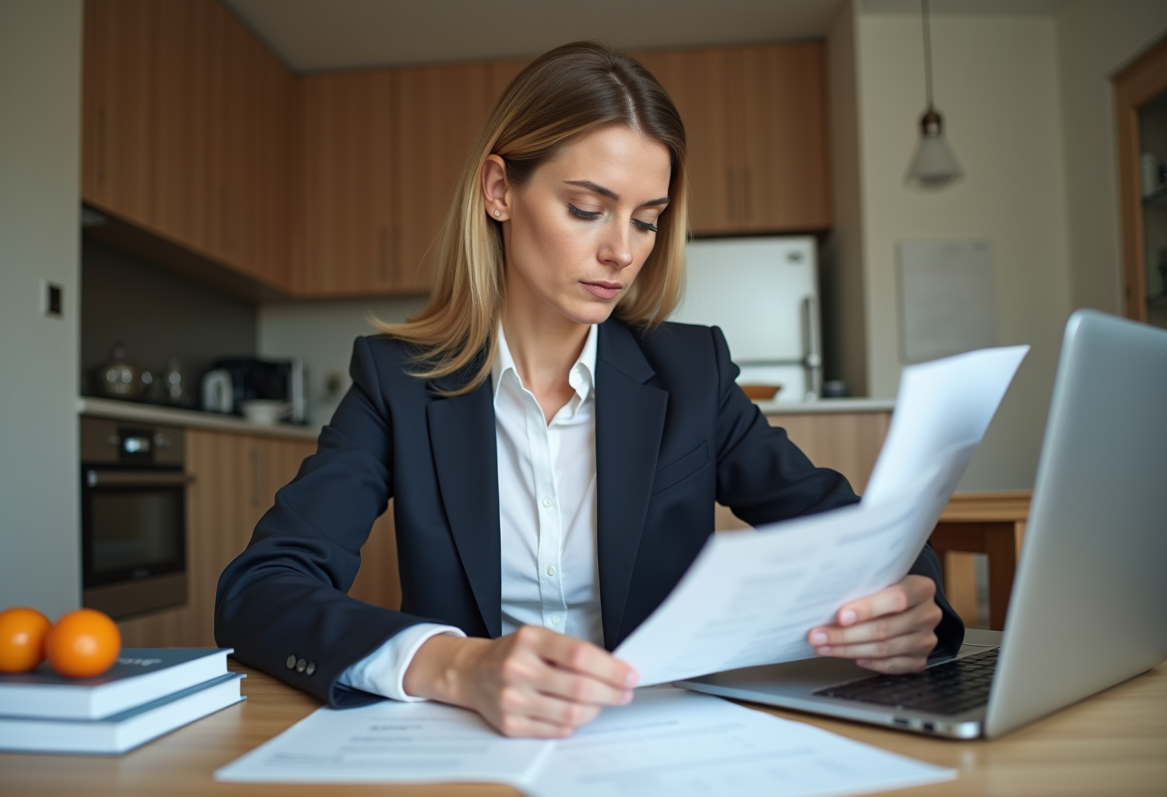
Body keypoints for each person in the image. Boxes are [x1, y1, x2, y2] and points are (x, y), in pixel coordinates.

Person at [215, 41, 962, 739]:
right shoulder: (399, 383)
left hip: (664, 744)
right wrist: (456, 664)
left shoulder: (690, 373)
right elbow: (260, 591)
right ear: (500, 189)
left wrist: (911, 600)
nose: (622, 252)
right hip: (472, 752)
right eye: (586, 209)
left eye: (647, 221)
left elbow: (869, 540)